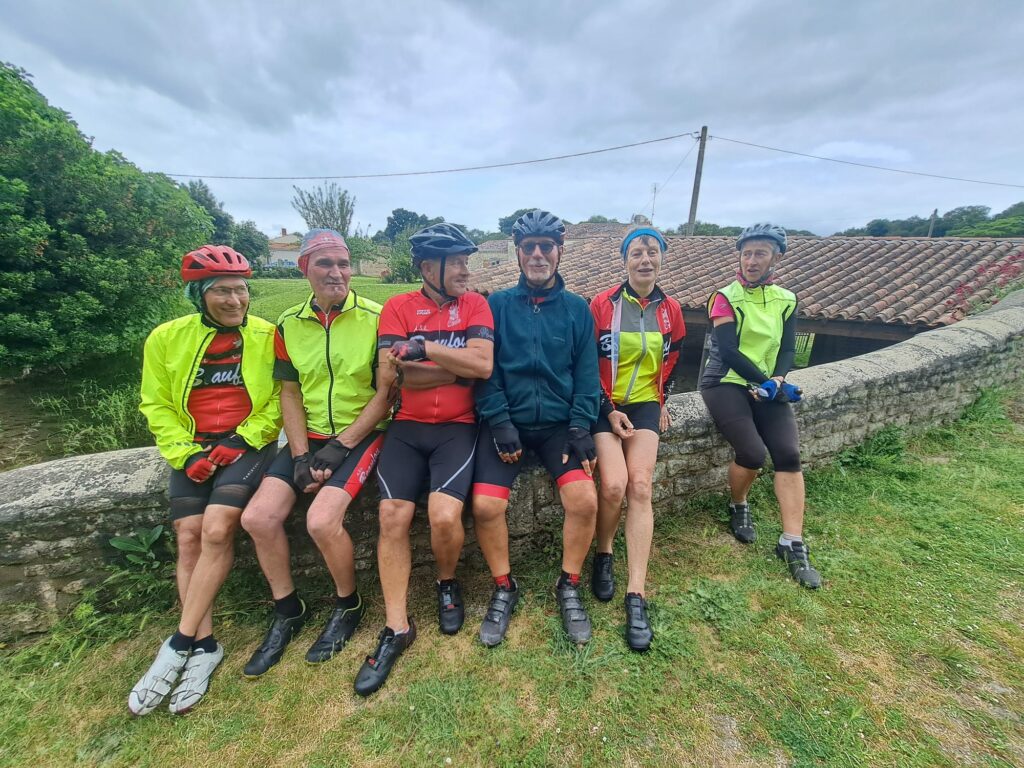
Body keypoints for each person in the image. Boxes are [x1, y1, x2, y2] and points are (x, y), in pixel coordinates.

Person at [129, 245, 282, 715]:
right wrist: (185, 453)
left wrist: (242, 439)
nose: (235, 300)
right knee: (189, 535)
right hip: (192, 447)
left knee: (216, 529)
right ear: (199, 296)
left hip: (246, 444)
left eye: (241, 290)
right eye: (222, 292)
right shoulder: (166, 338)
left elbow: (280, 399)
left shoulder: (267, 335)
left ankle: (178, 643)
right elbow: (156, 403)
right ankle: (205, 642)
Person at [239, 229, 396, 677]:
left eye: (343, 263)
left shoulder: (377, 318)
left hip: (363, 433)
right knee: (257, 518)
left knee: (321, 521)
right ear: (303, 268)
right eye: (325, 263)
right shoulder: (288, 323)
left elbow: (386, 394)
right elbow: (290, 393)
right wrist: (301, 455)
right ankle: (288, 608)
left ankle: (349, 603)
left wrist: (340, 445)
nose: (336, 273)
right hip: (308, 435)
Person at [352, 223, 494, 696]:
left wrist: (426, 349)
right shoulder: (397, 307)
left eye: (466, 262)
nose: (466, 271)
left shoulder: (475, 305)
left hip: (458, 428)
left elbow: (483, 366)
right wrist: (455, 370)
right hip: (408, 428)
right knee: (392, 515)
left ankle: (447, 582)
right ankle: (396, 626)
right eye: (458, 263)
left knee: (444, 516)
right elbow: (397, 379)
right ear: (429, 268)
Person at [470, 209, 601, 647]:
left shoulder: (578, 309)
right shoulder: (497, 305)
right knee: (485, 507)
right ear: (518, 253)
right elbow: (485, 371)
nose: (539, 255)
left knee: (584, 501)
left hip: (558, 428)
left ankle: (569, 583)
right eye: (530, 247)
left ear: (560, 252)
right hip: (507, 426)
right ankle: (504, 586)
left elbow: (587, 375)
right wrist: (499, 420)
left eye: (547, 247)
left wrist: (580, 426)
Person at [700, 223, 821, 588]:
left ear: (775, 258)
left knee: (788, 454)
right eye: (747, 254)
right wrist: (763, 381)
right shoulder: (724, 297)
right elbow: (729, 350)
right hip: (725, 381)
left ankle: (792, 541)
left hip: (767, 382)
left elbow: (787, 346)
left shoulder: (787, 299)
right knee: (752, 453)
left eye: (760, 254)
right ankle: (738, 504)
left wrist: (779, 379)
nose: (752, 261)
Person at [589, 227, 685, 651]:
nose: (645, 259)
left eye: (652, 252)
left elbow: (674, 357)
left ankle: (636, 593)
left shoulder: (671, 310)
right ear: (625, 260)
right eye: (637, 253)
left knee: (641, 485)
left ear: (661, 258)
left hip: (645, 403)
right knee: (613, 485)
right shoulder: (602, 305)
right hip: (603, 403)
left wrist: (662, 398)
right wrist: (607, 408)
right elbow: (586, 361)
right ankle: (604, 553)